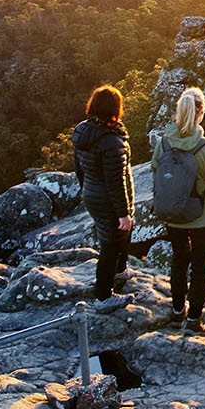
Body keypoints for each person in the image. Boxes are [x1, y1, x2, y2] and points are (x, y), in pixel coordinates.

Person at [151, 87, 205, 334]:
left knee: (178, 260)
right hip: (203, 217)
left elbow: (157, 173)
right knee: (200, 267)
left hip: (173, 215)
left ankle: (176, 313)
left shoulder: (163, 144)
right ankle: (194, 320)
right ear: (201, 113)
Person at [71, 84, 135, 312]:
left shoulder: (83, 131)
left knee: (118, 236)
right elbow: (116, 182)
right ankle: (104, 296)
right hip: (108, 198)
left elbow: (79, 167)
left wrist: (86, 188)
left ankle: (120, 271)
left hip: (92, 193)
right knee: (110, 243)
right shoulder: (112, 142)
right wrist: (123, 212)